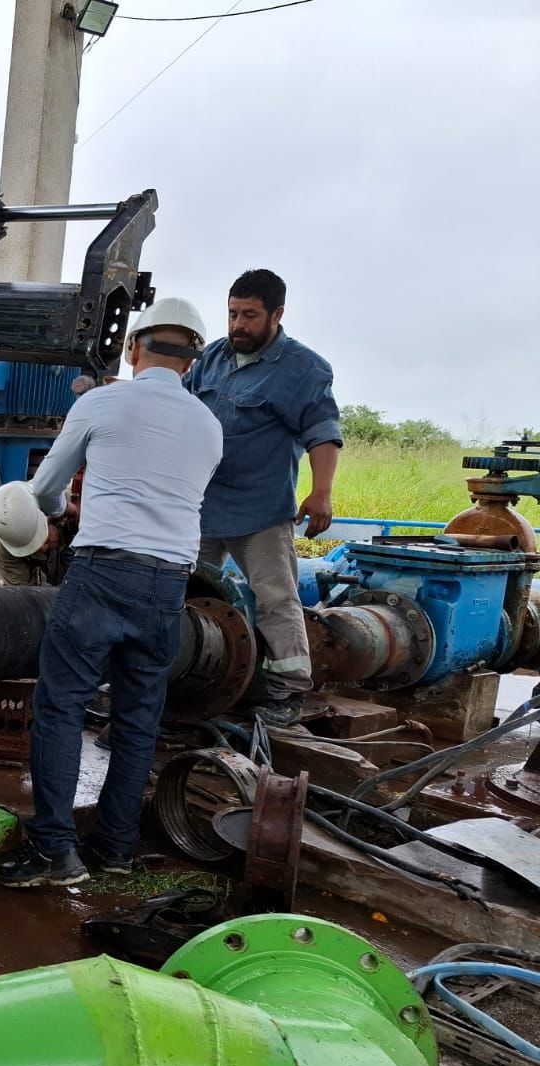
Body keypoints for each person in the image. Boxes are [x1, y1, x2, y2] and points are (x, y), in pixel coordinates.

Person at [0, 298, 223, 887]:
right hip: (169, 583)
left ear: (132, 347)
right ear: (192, 361)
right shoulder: (208, 424)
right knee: (138, 717)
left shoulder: (100, 402)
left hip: (103, 573)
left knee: (62, 706)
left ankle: (54, 850)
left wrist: (63, 507)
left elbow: (45, 490)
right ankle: (116, 847)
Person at [188, 269, 342, 726]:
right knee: (181, 588)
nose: (238, 324)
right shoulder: (210, 358)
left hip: (260, 508)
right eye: (233, 313)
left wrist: (321, 492)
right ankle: (185, 674)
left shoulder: (304, 369)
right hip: (201, 505)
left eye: (250, 315)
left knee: (275, 597)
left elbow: (322, 433)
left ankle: (287, 689)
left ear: (277, 314)